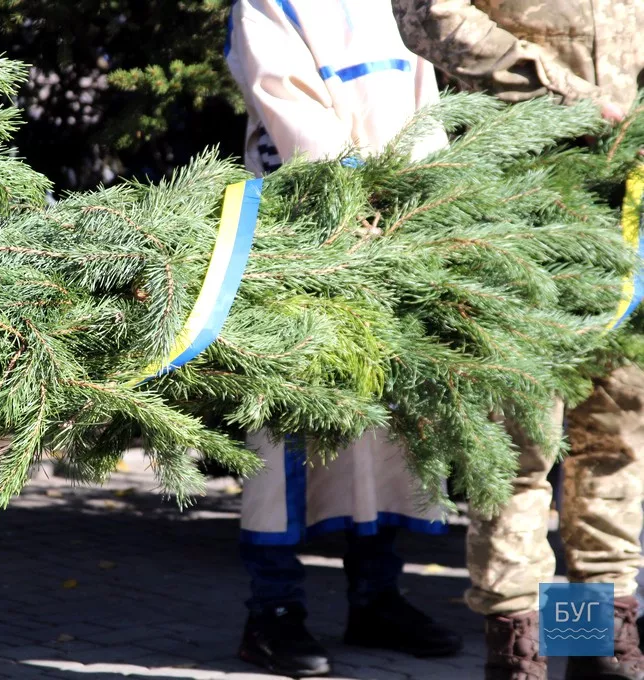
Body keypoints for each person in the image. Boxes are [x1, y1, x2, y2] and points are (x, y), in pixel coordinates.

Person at [389, 2, 644, 678]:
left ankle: (593, 640)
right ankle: (519, 642)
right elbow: (426, 15)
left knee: (612, 436)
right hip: (521, 194)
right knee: (520, 443)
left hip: (627, 199)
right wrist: (559, 97)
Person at [224, 1, 463, 676]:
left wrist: (424, 198)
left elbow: (422, 89)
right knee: (286, 433)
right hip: (309, 231)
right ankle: (272, 614)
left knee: (388, 427)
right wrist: (351, 193)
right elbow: (281, 97)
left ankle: (377, 598)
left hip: (399, 230)